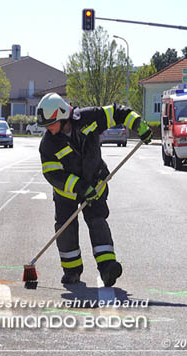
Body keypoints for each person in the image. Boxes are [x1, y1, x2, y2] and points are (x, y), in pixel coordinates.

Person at [36, 93, 153, 286]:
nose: (48, 128)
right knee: (66, 228)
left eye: (51, 123)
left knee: (97, 221)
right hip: (68, 192)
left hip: (96, 180)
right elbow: (53, 175)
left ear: (63, 115)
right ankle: (72, 271)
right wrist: (80, 188)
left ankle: (108, 268)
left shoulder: (88, 118)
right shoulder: (48, 144)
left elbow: (118, 113)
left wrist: (138, 124)